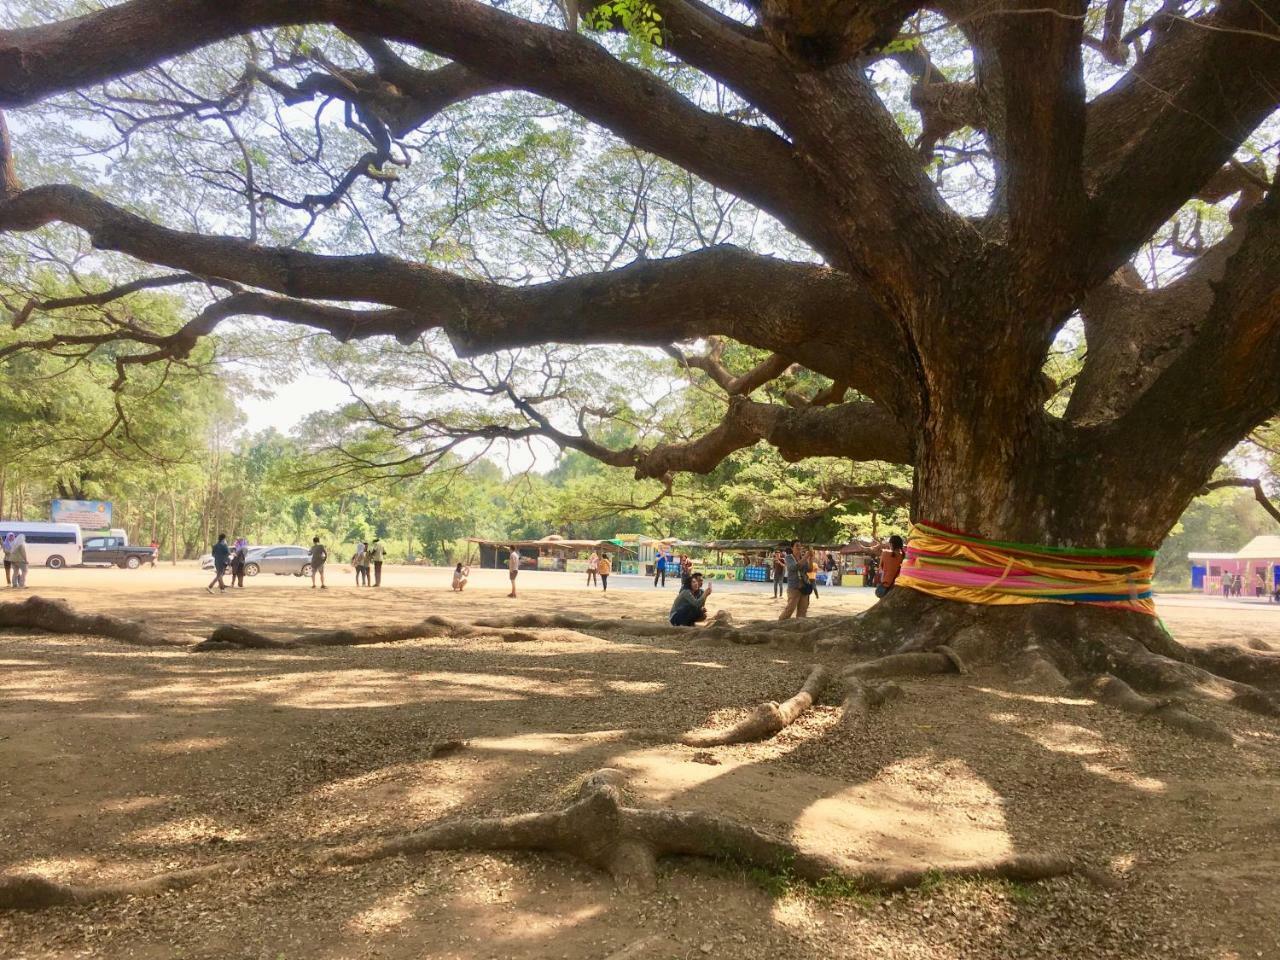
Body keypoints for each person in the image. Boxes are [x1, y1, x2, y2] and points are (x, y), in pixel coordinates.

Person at [779, 540, 811, 620]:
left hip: (804, 586)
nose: (799, 547)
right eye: (797, 546)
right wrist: (806, 557)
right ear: (792, 547)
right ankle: (780, 623)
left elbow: (809, 569)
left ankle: (800, 627)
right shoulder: (788, 557)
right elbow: (794, 567)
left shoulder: (802, 557)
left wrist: (811, 559)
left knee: (803, 610)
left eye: (800, 546)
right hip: (794, 587)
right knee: (790, 608)